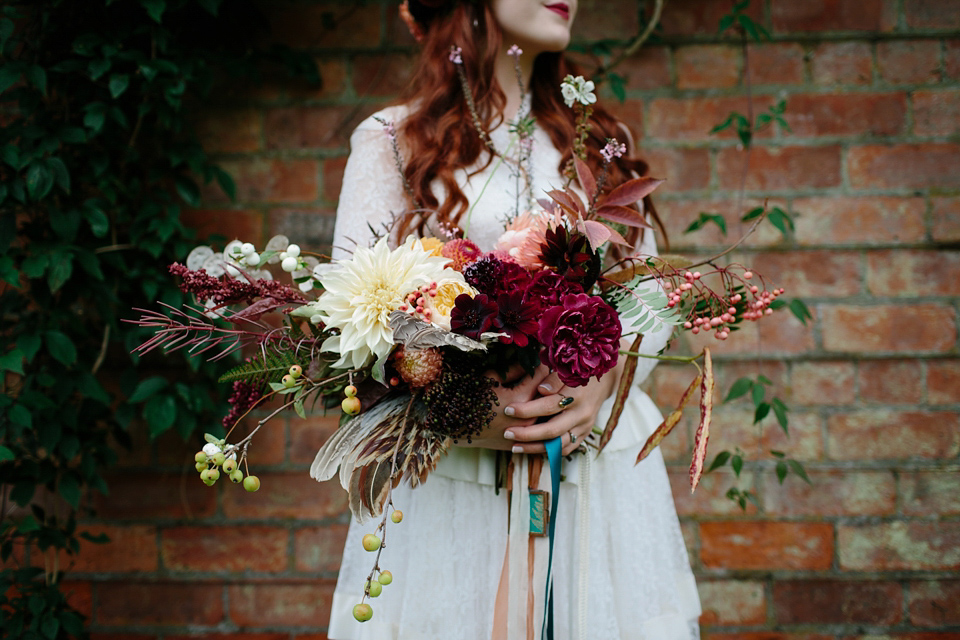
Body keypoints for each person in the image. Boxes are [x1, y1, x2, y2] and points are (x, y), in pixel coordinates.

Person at [326, 1, 701, 638]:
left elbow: (652, 298)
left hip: (593, 480)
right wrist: (469, 406)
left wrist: (600, 383)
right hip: (453, 482)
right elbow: (353, 320)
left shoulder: (598, 141)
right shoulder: (393, 139)